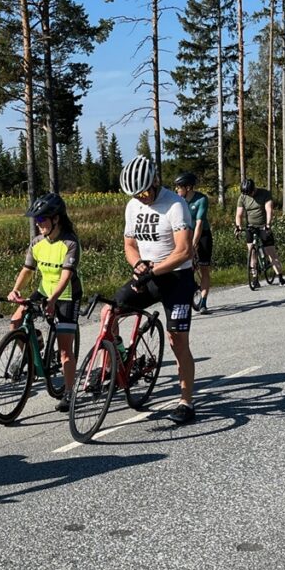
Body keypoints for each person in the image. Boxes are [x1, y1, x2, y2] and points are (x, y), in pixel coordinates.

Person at [113, 155, 197, 425]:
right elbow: (129, 245)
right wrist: (137, 263)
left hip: (177, 279)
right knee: (109, 312)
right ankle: (123, 361)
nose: (142, 197)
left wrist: (155, 268)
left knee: (177, 340)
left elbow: (185, 251)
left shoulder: (176, 204)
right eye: (136, 194)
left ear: (156, 181)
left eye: (146, 191)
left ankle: (186, 401)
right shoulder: (133, 206)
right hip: (148, 274)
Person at [6, 193, 82, 412]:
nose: (38, 224)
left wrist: (53, 300)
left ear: (56, 219)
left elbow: (66, 275)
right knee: (16, 321)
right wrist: (16, 289)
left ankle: (69, 392)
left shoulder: (70, 242)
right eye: (36, 221)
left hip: (66, 295)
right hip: (43, 290)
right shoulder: (37, 242)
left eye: (42, 220)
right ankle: (32, 349)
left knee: (65, 349)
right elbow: (28, 269)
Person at [235, 178, 285, 287]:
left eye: (250, 192)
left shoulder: (265, 194)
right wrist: (238, 227)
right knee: (252, 252)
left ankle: (281, 278)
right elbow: (239, 214)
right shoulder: (243, 197)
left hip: (263, 226)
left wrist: (268, 224)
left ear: (254, 188)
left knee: (271, 252)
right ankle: (254, 278)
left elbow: (269, 209)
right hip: (251, 226)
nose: (249, 195)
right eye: (246, 193)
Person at [173, 172, 214, 314]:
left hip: (202, 234)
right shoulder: (178, 200)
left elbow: (199, 224)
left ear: (188, 187)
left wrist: (194, 243)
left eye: (179, 187)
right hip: (185, 234)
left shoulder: (201, 199)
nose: (177, 190)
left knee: (204, 269)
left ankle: (203, 302)